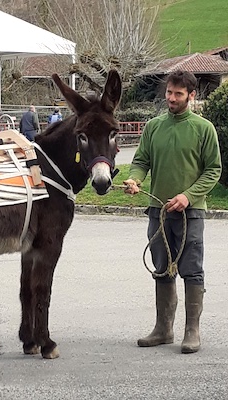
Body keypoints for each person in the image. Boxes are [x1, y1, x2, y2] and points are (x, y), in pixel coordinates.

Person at [124, 70, 221, 354]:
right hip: (158, 211)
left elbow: (213, 170)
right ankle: (163, 329)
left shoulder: (204, 129)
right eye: (169, 92)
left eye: (178, 94)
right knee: (161, 267)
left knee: (192, 270)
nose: (171, 98)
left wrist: (188, 197)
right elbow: (141, 160)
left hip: (191, 213)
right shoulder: (154, 127)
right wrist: (136, 179)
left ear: (192, 95)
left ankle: (192, 331)